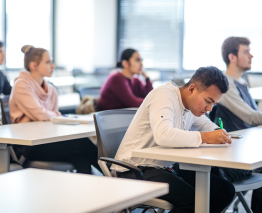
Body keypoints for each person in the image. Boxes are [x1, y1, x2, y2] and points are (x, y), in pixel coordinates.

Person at [111, 66, 235, 213]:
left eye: (214, 104)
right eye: (208, 101)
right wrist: (205, 137)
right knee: (192, 201)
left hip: (166, 167)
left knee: (224, 191)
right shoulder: (164, 95)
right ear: (192, 89)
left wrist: (218, 133)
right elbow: (163, 135)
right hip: (134, 170)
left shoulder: (192, 107)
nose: (209, 109)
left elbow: (206, 124)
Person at [9, 45, 101, 174]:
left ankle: (84, 192)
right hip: (30, 146)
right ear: (34, 65)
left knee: (82, 159)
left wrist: (52, 115)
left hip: (50, 140)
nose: (53, 66)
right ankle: (115, 173)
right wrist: (54, 115)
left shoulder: (51, 88)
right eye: (48, 62)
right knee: (82, 143)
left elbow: (52, 117)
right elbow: (40, 114)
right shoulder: (21, 85)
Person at [217, 37, 261, 212]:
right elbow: (251, 117)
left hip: (247, 148)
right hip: (236, 154)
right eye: (245, 51)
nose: (251, 55)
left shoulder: (241, 84)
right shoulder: (226, 84)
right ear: (232, 57)